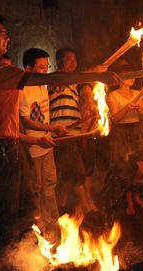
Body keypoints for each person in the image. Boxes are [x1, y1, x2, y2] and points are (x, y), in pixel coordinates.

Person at [0, 12, 117, 258]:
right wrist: (94, 75)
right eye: (1, 34)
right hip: (1, 149)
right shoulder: (0, 73)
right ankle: (5, 260)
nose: (7, 37)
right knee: (7, 211)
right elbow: (53, 78)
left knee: (8, 206)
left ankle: (9, 256)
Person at [19, 48, 67, 241]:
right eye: (41, 67)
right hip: (33, 147)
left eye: (47, 67)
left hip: (46, 145)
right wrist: (51, 127)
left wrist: (52, 129)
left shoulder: (43, 85)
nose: (45, 71)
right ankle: (37, 232)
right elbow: (26, 122)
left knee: (50, 185)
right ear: (28, 68)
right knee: (36, 190)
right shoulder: (22, 89)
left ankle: (53, 228)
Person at [48, 48, 102, 214]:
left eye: (75, 59)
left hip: (73, 136)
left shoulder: (71, 86)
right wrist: (93, 71)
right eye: (68, 59)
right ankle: (86, 206)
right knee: (78, 172)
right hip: (63, 135)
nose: (73, 62)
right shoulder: (54, 80)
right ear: (59, 63)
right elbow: (75, 77)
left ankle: (61, 207)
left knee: (68, 174)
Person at [107, 65, 143, 215]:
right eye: (127, 75)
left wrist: (138, 108)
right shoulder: (113, 95)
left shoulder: (139, 93)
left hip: (137, 131)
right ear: (118, 79)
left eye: (133, 74)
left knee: (140, 169)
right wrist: (127, 108)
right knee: (125, 171)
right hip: (121, 133)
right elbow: (115, 118)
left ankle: (137, 195)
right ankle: (130, 202)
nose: (131, 77)